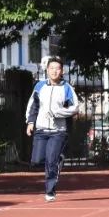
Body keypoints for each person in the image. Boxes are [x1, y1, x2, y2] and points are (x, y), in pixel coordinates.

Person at [25, 57, 79, 201]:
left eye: (58, 68)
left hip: (58, 131)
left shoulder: (67, 88)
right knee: (36, 160)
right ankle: (58, 158)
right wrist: (30, 122)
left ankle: (50, 191)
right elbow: (33, 106)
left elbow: (75, 108)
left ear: (62, 71)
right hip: (41, 129)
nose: (55, 71)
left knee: (51, 160)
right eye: (52, 68)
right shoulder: (39, 86)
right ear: (47, 70)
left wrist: (59, 112)